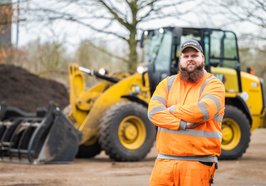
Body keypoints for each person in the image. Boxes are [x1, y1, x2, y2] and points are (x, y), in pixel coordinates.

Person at [148, 39, 225, 186]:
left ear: (202, 58)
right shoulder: (167, 84)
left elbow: (203, 111)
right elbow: (153, 112)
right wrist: (181, 124)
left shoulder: (214, 85)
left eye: (194, 55)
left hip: (197, 163)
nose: (190, 59)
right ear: (180, 60)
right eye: (186, 56)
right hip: (164, 163)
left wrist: (172, 110)